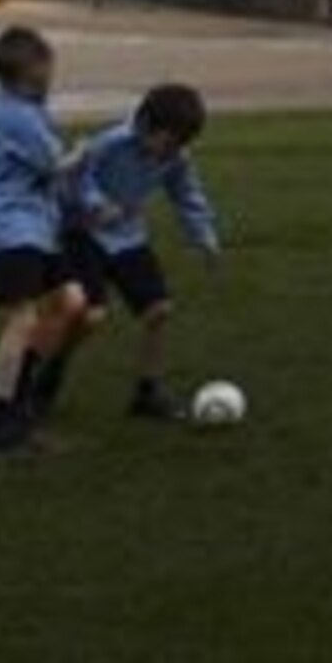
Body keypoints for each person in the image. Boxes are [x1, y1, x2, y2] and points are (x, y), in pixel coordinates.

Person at [56, 81, 222, 421]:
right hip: (83, 235)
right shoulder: (110, 142)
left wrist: (204, 237)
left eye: (180, 145)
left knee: (159, 310)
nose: (172, 152)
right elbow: (75, 179)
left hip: (128, 238)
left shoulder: (176, 156)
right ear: (145, 125)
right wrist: (97, 205)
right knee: (90, 316)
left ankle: (147, 393)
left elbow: (187, 195)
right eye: (169, 142)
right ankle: (47, 376)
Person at [0, 22, 88, 454]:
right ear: (28, 74)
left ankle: (21, 403)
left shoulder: (28, 108)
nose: (51, 77)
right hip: (9, 231)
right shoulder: (15, 115)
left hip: (38, 230)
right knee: (22, 319)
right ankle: (0, 421)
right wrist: (81, 153)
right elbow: (56, 165)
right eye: (45, 70)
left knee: (70, 303)